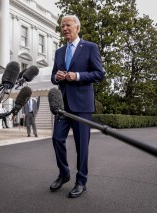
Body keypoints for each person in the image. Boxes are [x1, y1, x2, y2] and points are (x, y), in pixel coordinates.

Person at [50, 15, 105, 198]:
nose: (64, 28)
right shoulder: (59, 52)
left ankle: (81, 181)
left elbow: (99, 74)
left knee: (82, 146)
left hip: (82, 105)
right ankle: (64, 173)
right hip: (62, 105)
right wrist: (57, 77)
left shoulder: (90, 47)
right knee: (57, 139)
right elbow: (53, 77)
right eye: (62, 26)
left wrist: (78, 76)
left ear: (77, 27)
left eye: (68, 25)